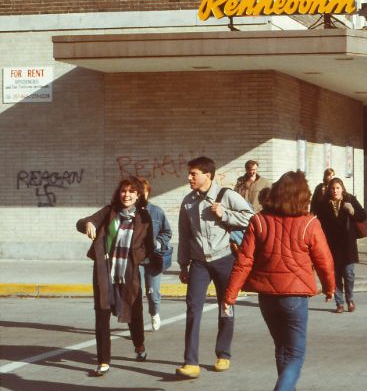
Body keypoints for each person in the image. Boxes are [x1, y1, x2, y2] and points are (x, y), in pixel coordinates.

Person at [223, 170, 335, 391]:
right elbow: (324, 260)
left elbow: (244, 260)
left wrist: (230, 294)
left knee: (282, 350)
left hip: (267, 297)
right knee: (295, 354)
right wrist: (330, 287)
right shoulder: (309, 223)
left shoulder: (259, 221)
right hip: (294, 296)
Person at [176, 156, 254, 379]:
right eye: (190, 174)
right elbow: (184, 235)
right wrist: (183, 265)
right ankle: (191, 362)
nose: (189, 178)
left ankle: (223, 354)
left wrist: (225, 214)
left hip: (224, 259)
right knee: (193, 308)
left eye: (194, 174)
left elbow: (251, 218)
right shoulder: (188, 202)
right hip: (199, 263)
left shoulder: (226, 195)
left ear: (207, 175)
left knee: (226, 305)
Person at [76, 177, 155, 376]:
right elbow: (82, 222)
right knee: (102, 314)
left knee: (134, 312)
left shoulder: (144, 217)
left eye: (131, 191)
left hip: (128, 273)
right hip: (105, 271)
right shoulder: (109, 211)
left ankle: (139, 345)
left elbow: (149, 247)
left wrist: (137, 257)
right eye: (123, 191)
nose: (126, 195)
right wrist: (88, 223)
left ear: (138, 195)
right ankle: (103, 361)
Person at [316, 177, 367, 313]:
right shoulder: (323, 203)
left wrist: (352, 211)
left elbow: (363, 216)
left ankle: (350, 299)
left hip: (347, 244)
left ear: (342, 189)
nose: (335, 191)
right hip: (331, 245)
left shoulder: (350, 199)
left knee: (349, 274)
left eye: (337, 188)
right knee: (336, 276)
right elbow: (318, 223)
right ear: (329, 190)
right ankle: (339, 303)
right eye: (332, 188)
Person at [138, 178, 173, 332]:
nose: (140, 195)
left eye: (143, 192)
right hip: (135, 260)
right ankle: (136, 321)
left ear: (148, 192)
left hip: (153, 259)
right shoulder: (129, 212)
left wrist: (158, 242)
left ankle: (154, 313)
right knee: (135, 292)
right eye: (137, 192)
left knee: (152, 291)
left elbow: (167, 232)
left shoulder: (156, 211)